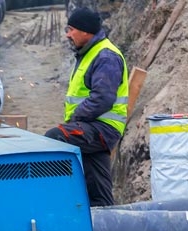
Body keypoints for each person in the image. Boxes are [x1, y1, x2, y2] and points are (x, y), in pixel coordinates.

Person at [44, 7, 127, 207]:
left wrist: (74, 121)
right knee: (98, 191)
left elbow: (102, 99)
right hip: (93, 127)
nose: (67, 34)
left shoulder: (105, 57)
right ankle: (106, 222)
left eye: (71, 29)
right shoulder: (90, 53)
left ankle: (55, 202)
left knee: (55, 137)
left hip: (101, 127)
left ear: (86, 31)